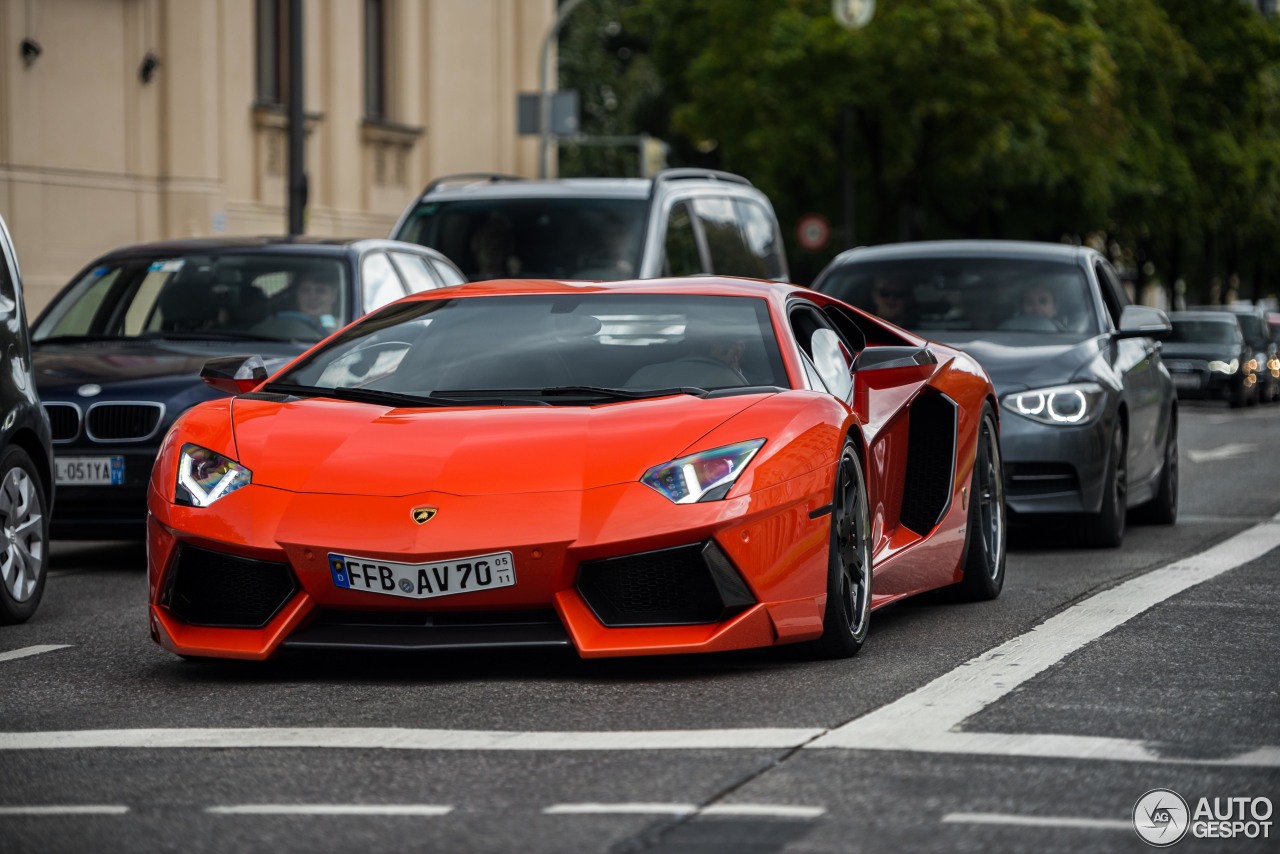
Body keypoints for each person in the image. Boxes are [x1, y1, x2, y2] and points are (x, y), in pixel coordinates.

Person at [469, 213, 520, 280]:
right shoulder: (461, 281)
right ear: (476, 248)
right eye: (488, 245)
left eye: (497, 247)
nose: (491, 252)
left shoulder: (515, 280)